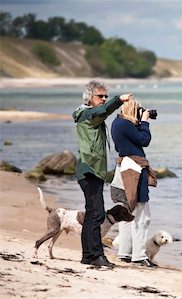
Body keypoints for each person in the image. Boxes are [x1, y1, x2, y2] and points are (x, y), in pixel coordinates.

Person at [73, 80, 132, 268]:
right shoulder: (87, 114)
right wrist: (117, 100)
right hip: (88, 170)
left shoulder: (89, 115)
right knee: (97, 214)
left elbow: (102, 112)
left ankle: (87, 256)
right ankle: (96, 256)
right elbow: (101, 111)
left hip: (92, 171)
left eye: (106, 96)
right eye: (101, 96)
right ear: (90, 98)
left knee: (92, 214)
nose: (104, 99)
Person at [110, 98, 154, 267]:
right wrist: (144, 122)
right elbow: (144, 140)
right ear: (133, 110)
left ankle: (124, 253)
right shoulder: (126, 125)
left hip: (125, 168)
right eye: (138, 110)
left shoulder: (117, 123)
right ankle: (139, 256)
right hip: (135, 170)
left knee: (128, 214)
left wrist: (139, 122)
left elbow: (132, 139)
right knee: (142, 216)